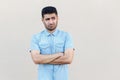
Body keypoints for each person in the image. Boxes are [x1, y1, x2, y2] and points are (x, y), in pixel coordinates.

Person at [29, 6, 74, 80]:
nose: (51, 22)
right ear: (42, 20)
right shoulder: (36, 38)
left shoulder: (66, 36)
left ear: (57, 18)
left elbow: (68, 59)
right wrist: (58, 54)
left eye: (53, 18)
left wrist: (43, 59)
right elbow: (36, 59)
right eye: (47, 19)